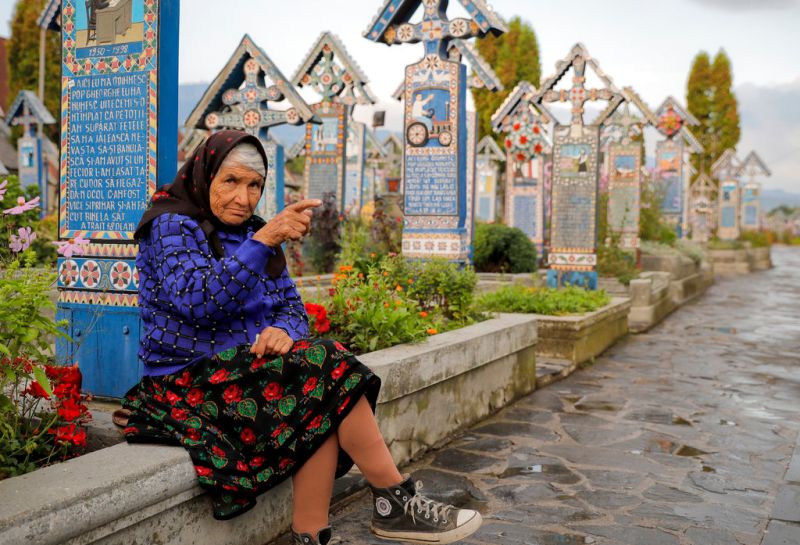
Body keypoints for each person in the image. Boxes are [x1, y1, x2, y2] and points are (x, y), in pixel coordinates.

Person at [122, 130, 482, 545]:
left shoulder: (253, 232)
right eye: (231, 182)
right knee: (326, 372)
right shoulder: (172, 225)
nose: (243, 198)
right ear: (205, 176)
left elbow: (292, 308)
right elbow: (199, 301)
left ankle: (312, 536)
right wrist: (263, 241)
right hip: (186, 380)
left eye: (254, 185)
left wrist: (283, 332)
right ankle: (393, 502)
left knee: (322, 392)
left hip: (245, 369)